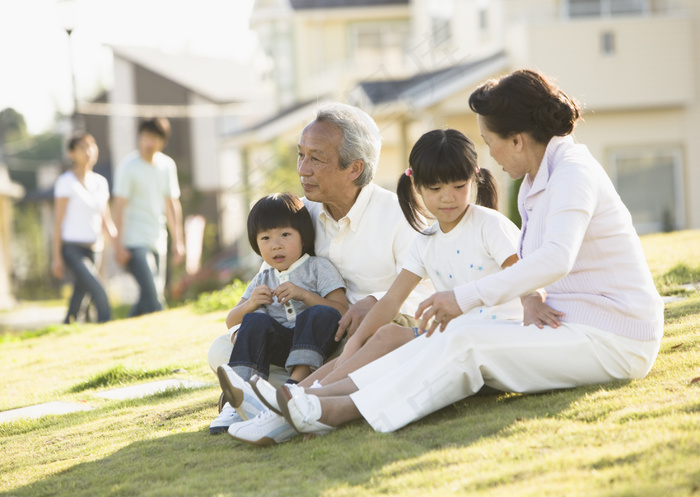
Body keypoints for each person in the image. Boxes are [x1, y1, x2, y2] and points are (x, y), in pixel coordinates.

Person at [274, 69, 664, 436]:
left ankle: (336, 411)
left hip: (616, 337)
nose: (488, 152)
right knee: (453, 333)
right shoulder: (536, 179)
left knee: (468, 340)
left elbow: (556, 259)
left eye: (490, 139)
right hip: (568, 323)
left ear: (516, 139)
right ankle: (313, 397)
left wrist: (462, 299)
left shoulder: (573, 172)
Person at [231, 128, 561, 446]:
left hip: (490, 334)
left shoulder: (488, 225)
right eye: (434, 189)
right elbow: (391, 302)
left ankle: (296, 403)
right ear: (416, 186)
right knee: (384, 334)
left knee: (383, 352)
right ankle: (296, 397)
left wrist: (533, 300)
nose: (447, 198)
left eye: (458, 186)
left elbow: (523, 271)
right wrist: (355, 343)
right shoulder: (427, 239)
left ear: (474, 179)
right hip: (451, 335)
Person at [207, 102, 433, 436]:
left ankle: (283, 399)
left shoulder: (399, 216)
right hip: (310, 340)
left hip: (370, 339)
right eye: (301, 155)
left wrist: (375, 300)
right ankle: (273, 397)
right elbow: (269, 272)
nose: (303, 169)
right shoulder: (300, 214)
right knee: (223, 348)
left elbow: (432, 287)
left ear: (354, 168)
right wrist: (254, 314)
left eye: (316, 158)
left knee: (382, 345)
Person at [215, 192, 349, 419]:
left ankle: (295, 385)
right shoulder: (262, 278)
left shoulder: (317, 267)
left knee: (319, 312)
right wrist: (251, 305)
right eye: (265, 238)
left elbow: (341, 311)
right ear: (256, 244)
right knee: (254, 320)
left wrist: (304, 295)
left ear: (303, 237)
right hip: (280, 346)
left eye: (285, 235)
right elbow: (231, 320)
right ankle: (239, 396)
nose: (275, 246)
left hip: (318, 343)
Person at [112, 117, 185, 317]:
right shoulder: (128, 167)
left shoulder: (167, 165)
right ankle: (166, 329)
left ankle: (124, 329)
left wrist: (178, 241)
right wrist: (117, 245)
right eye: (144, 137)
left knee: (150, 295)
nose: (148, 143)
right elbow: (119, 207)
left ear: (162, 141)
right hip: (134, 241)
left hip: (157, 238)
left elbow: (172, 204)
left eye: (153, 138)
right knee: (153, 295)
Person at [52, 132, 116, 324]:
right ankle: (107, 327)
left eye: (91, 146)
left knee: (80, 296)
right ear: (72, 153)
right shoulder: (66, 182)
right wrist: (56, 257)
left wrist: (120, 246)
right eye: (82, 147)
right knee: (99, 291)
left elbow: (106, 221)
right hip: (72, 248)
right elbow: (58, 222)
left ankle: (68, 325)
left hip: (95, 248)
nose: (88, 152)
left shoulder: (101, 183)